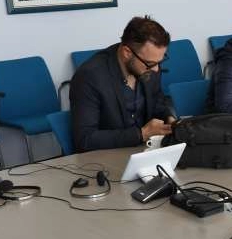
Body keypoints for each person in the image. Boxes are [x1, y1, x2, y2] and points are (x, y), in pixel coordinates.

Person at [70, 16, 176, 152]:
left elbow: (157, 102)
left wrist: (169, 118)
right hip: (107, 156)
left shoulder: (149, 65)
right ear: (127, 53)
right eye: (150, 64)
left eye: (159, 62)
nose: (156, 69)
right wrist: (142, 134)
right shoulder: (89, 77)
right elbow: (84, 139)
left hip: (145, 151)